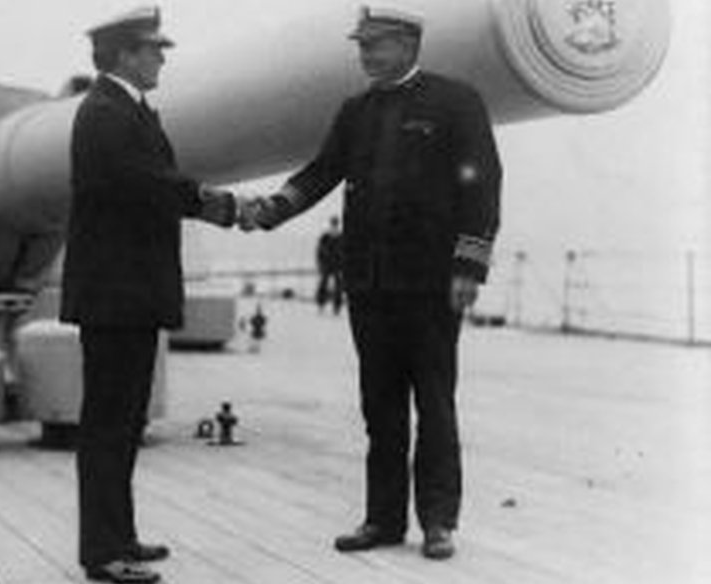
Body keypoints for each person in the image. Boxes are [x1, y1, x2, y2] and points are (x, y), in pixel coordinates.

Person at [240, 4, 501, 560]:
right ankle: (383, 520)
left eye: (374, 44)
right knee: (379, 406)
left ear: (408, 43)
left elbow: (481, 186)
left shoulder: (455, 102)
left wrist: (469, 267)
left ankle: (438, 521)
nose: (363, 54)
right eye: (361, 45)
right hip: (369, 286)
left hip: (432, 285)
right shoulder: (355, 112)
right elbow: (321, 171)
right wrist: (273, 207)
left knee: (434, 402)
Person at [59, 6, 236, 584]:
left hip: (129, 294)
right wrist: (218, 202)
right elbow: (146, 185)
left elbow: (149, 185)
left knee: (123, 420)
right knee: (109, 422)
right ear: (124, 55)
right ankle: (102, 554)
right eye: (153, 49)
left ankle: (120, 537)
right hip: (116, 295)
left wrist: (208, 200)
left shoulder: (126, 111)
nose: (161, 57)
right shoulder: (105, 114)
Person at [315, 215, 345, 314]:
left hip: (337, 265)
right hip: (327, 265)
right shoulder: (325, 237)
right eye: (333, 223)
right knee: (323, 284)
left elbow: (345, 252)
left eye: (336, 223)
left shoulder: (341, 237)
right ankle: (321, 304)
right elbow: (319, 252)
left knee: (338, 287)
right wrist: (320, 264)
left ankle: (337, 307)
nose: (334, 225)